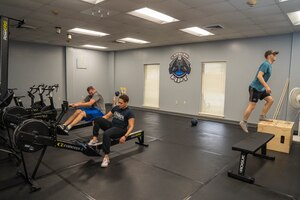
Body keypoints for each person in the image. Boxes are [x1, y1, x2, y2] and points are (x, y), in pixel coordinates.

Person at [88, 94, 135, 168]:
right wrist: (98, 121)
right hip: (112, 126)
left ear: (126, 103)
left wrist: (125, 136)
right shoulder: (116, 108)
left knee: (106, 134)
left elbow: (131, 126)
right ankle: (94, 139)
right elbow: (106, 116)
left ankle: (106, 157)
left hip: (121, 129)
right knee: (97, 119)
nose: (119, 104)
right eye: (118, 102)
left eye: (121, 103)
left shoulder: (129, 112)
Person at [239, 50, 279, 133]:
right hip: (255, 88)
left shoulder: (270, 66)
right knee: (252, 105)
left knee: (270, 100)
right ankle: (243, 122)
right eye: (274, 54)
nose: (275, 55)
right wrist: (267, 86)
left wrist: (264, 88)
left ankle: (262, 116)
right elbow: (259, 76)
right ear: (268, 56)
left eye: (276, 54)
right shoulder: (265, 64)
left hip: (261, 89)